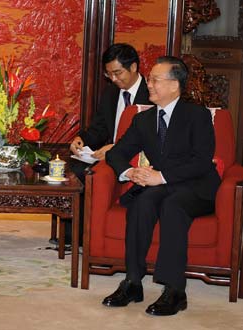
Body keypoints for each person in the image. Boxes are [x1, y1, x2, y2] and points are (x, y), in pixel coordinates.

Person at [103, 56, 220, 316]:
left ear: (174, 85)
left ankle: (175, 289)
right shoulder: (143, 119)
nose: (150, 84)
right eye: (150, 79)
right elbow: (116, 153)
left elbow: (201, 161)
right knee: (142, 203)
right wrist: (130, 171)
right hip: (163, 185)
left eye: (155, 79)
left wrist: (161, 176)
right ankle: (133, 282)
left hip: (198, 187)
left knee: (172, 205)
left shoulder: (196, 115)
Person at [63, 43, 151, 247]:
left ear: (134, 67)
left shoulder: (151, 93)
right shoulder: (111, 93)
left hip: (137, 156)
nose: (114, 79)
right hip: (107, 153)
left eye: (118, 73)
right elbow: (100, 128)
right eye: (109, 74)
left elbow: (150, 135)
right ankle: (75, 235)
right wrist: (82, 139)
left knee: (90, 174)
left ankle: (89, 234)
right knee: (73, 169)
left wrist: (115, 149)